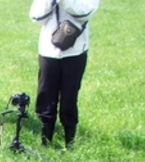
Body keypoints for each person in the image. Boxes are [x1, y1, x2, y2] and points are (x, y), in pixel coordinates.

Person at [30, 0, 99, 149]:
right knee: (45, 96)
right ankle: (44, 141)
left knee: (69, 96)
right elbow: (36, 17)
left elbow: (86, 12)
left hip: (76, 51)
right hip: (48, 50)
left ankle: (70, 141)